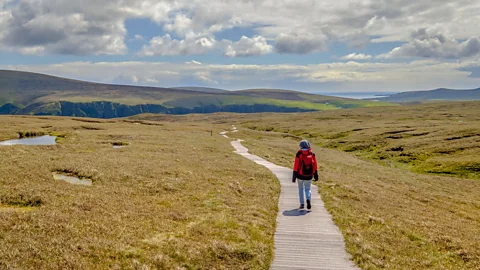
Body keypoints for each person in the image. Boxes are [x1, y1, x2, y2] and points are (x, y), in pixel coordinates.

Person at [292, 140, 318, 210]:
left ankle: (302, 204)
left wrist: (294, 176)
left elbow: (296, 165)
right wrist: (315, 174)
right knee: (308, 188)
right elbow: (315, 164)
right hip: (309, 175)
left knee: (300, 189)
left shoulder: (299, 154)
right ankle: (308, 199)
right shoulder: (312, 154)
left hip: (300, 175)